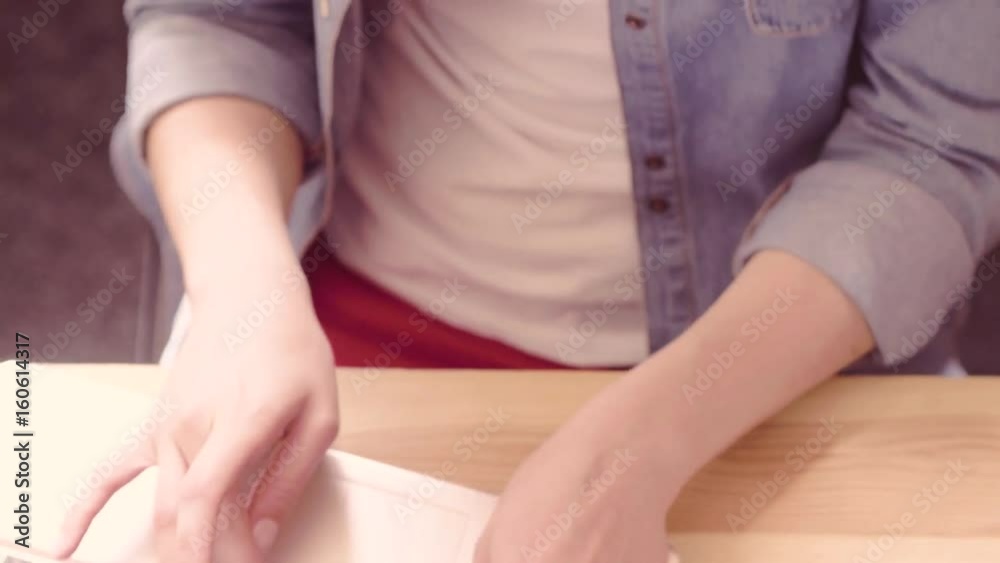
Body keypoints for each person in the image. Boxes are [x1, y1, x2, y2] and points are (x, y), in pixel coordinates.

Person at [56, 0, 1000, 561]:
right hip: (335, 337)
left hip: (769, 364)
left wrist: (646, 442)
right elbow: (221, 17)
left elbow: (931, 144)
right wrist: (239, 284)